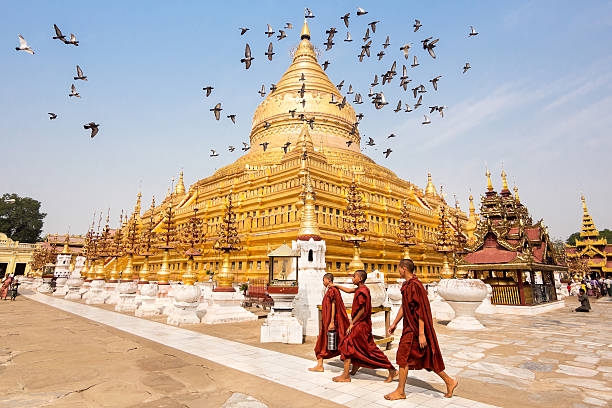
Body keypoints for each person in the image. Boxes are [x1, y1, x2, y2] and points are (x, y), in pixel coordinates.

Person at [385, 259, 458, 400]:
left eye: (399, 268)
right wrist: (394, 323)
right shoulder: (408, 285)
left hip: (414, 330)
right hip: (409, 327)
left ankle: (400, 391)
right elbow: (404, 306)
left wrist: (421, 333)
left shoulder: (415, 286)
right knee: (425, 357)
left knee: (402, 357)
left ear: (404, 269)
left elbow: (421, 311)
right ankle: (450, 381)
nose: (398, 271)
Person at [331, 270, 397, 382]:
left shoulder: (362, 291)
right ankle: (388, 369)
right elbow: (349, 290)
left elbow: (362, 310)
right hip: (362, 324)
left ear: (360, 279)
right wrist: (336, 285)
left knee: (348, 344)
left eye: (354, 277)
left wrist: (352, 323)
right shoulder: (361, 289)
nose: (352, 279)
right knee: (364, 347)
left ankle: (346, 375)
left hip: (360, 325)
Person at [309, 273, 350, 372]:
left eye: (323, 280)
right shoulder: (331, 290)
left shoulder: (332, 290)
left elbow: (333, 305)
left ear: (328, 280)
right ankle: (320, 365)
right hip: (326, 321)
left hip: (330, 322)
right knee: (323, 343)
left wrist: (331, 321)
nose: (323, 282)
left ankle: (321, 365)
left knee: (324, 343)